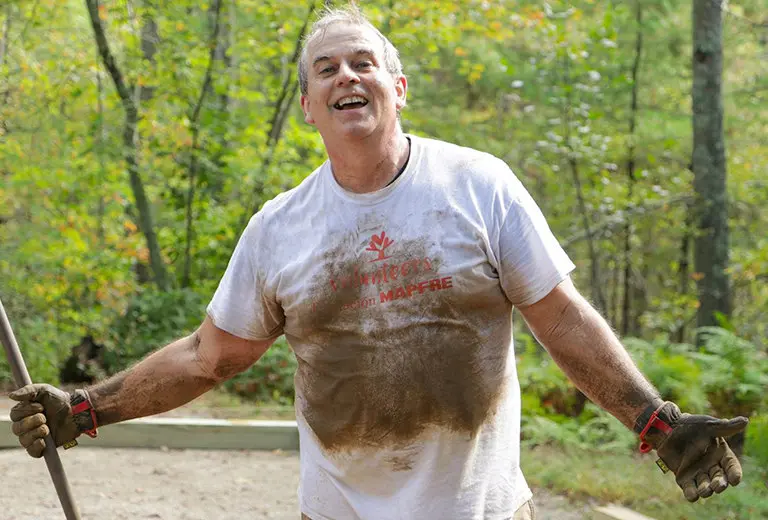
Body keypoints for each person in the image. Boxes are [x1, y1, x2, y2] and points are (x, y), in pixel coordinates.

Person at [9, 5, 748, 520]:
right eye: (325, 69)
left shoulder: (478, 186)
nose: (345, 76)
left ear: (397, 88)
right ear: (308, 105)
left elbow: (560, 320)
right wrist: (85, 408)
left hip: (484, 512)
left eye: (364, 62)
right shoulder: (279, 230)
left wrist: (658, 424)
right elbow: (208, 357)